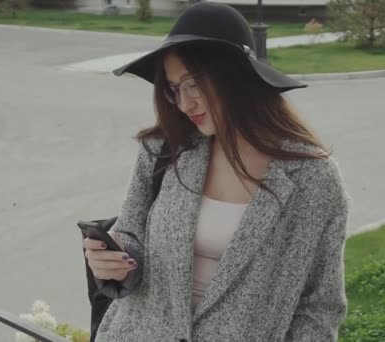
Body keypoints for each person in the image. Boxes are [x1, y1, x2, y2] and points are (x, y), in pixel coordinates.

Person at [82, 2, 350, 341]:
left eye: (194, 83)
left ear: (235, 74)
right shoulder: (164, 149)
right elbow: (131, 237)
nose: (184, 103)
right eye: (174, 89)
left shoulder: (312, 179)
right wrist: (115, 264)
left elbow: (319, 308)